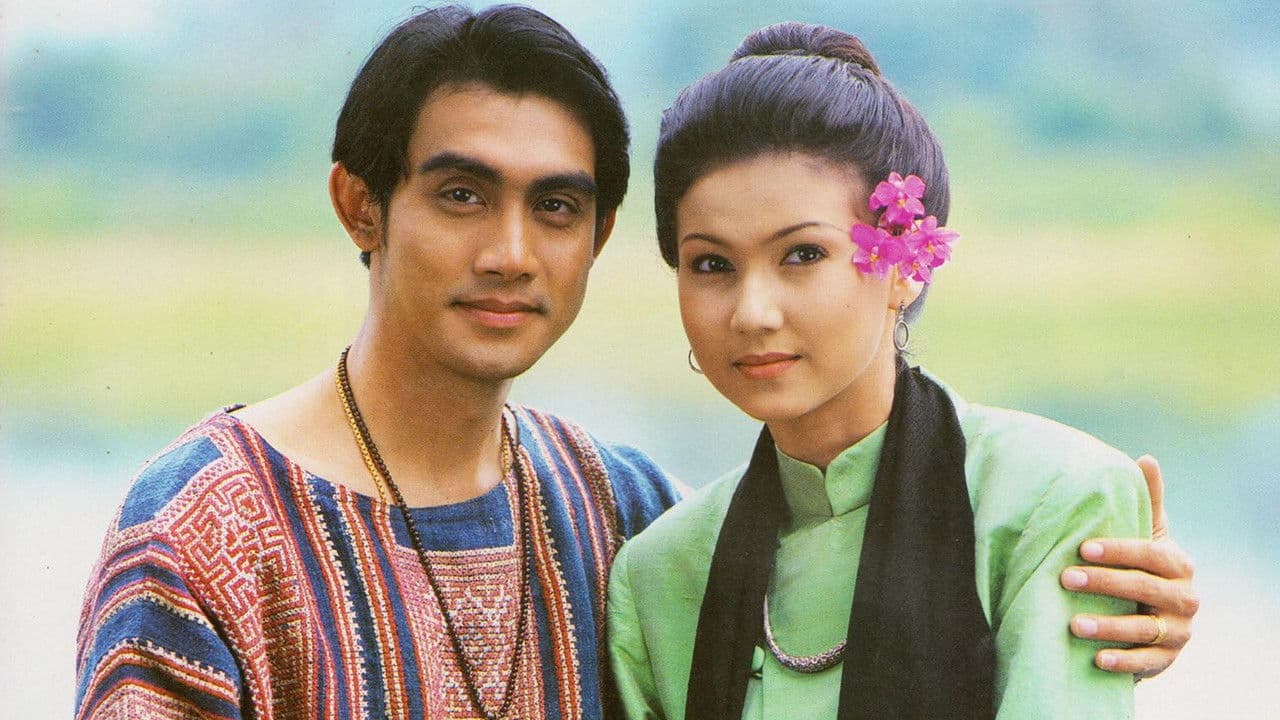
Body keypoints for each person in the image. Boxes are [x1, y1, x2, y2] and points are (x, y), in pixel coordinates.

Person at [74, 6, 1194, 720]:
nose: (511, 253)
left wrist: (1120, 606)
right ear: (359, 204)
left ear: (599, 237)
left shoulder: (611, 509)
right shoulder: (205, 529)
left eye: (556, 207)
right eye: (461, 194)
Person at [607, 22, 1196, 720]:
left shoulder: (1050, 502)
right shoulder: (659, 572)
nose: (751, 312)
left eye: (802, 254)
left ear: (905, 265)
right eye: (712, 264)